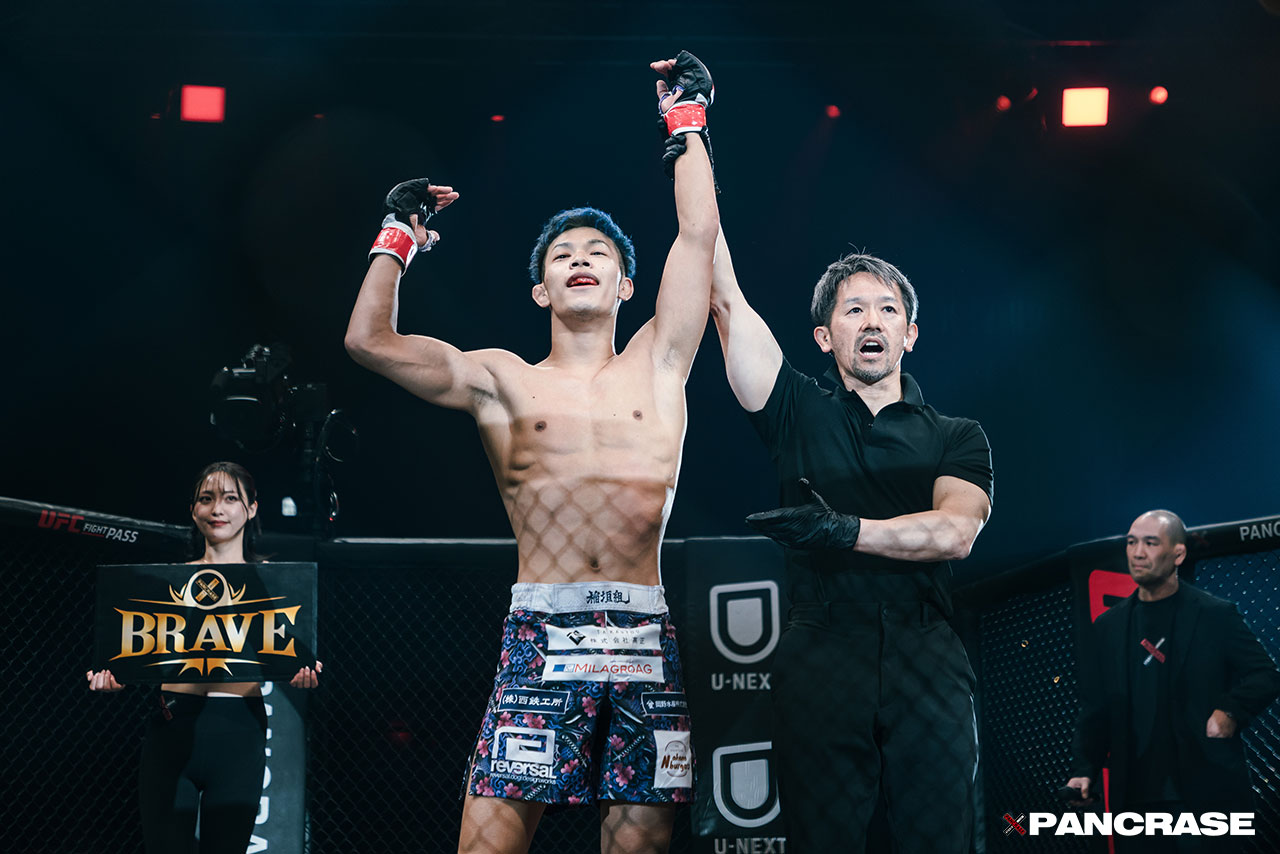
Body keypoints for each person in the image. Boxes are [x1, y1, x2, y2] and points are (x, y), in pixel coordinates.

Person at [344, 53, 718, 854]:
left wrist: (688, 121)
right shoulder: (501, 380)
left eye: (599, 252)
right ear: (542, 290)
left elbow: (697, 235)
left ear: (626, 286)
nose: (581, 257)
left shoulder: (661, 361)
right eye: (563, 253)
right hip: (543, 631)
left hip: (642, 633)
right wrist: (397, 236)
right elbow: (369, 342)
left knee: (639, 847)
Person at [704, 229, 993, 852]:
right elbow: (724, 297)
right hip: (822, 648)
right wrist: (692, 165)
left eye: (888, 309)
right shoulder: (795, 409)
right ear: (824, 336)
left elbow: (956, 532)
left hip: (927, 650)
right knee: (822, 839)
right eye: (853, 309)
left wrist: (843, 530)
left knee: (941, 838)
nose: (872, 321)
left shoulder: (958, 435)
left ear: (910, 334)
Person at [87, 461, 321, 854]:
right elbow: (127, 655)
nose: (217, 509)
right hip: (172, 728)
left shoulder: (276, 582)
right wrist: (112, 678)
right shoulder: (166, 581)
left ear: (252, 508)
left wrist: (305, 673)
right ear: (193, 510)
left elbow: (300, 657)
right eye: (206, 499)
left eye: (230, 498)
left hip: (239, 734)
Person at [1065, 509, 1280, 852]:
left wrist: (1230, 712)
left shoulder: (1214, 614)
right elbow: (1096, 706)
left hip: (1203, 789)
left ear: (1178, 554)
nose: (1138, 553)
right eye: (1132, 542)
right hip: (1134, 793)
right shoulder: (1109, 626)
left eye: (1151, 543)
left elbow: (1265, 674)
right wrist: (1084, 768)